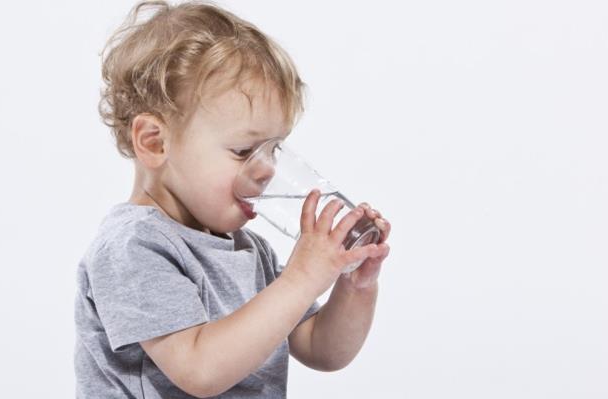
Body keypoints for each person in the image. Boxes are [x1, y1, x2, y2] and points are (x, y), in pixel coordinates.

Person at [74, 1, 392, 397]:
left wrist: (354, 286)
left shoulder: (249, 250)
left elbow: (322, 349)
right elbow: (199, 371)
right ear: (155, 142)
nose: (267, 170)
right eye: (244, 151)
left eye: (274, 149)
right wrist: (302, 278)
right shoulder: (134, 247)